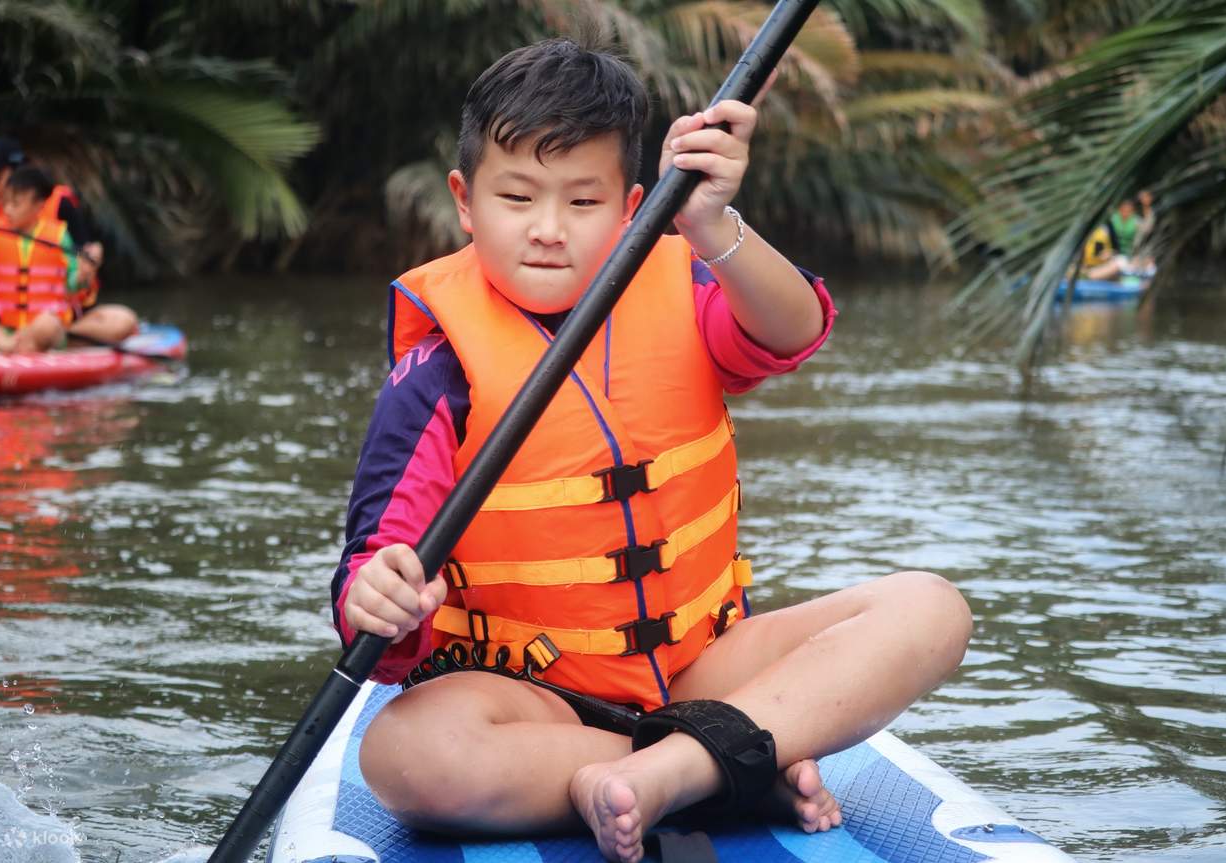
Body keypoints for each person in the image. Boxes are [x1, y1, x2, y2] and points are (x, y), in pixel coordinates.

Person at [332, 39, 971, 863]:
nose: (548, 230)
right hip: (534, 703)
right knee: (404, 755)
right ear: (464, 199)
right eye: (517, 196)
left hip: (706, 673)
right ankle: (727, 763)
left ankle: (679, 765)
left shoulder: (683, 277)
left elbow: (794, 331)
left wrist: (710, 223)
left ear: (632, 204)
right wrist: (377, 598)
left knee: (929, 608)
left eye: (583, 201)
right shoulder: (436, 371)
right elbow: (373, 570)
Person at [0, 136, 113, 325]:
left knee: (119, 319)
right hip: (1, 318)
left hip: (52, 316)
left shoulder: (59, 209)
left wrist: (88, 259)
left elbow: (79, 253)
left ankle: (61, 335)